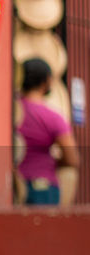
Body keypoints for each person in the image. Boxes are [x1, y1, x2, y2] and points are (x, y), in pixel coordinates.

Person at [14, 58, 79, 206]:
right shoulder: (53, 117)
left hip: (15, 185)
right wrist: (52, 162)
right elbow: (72, 159)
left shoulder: (11, 112)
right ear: (46, 81)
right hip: (43, 187)